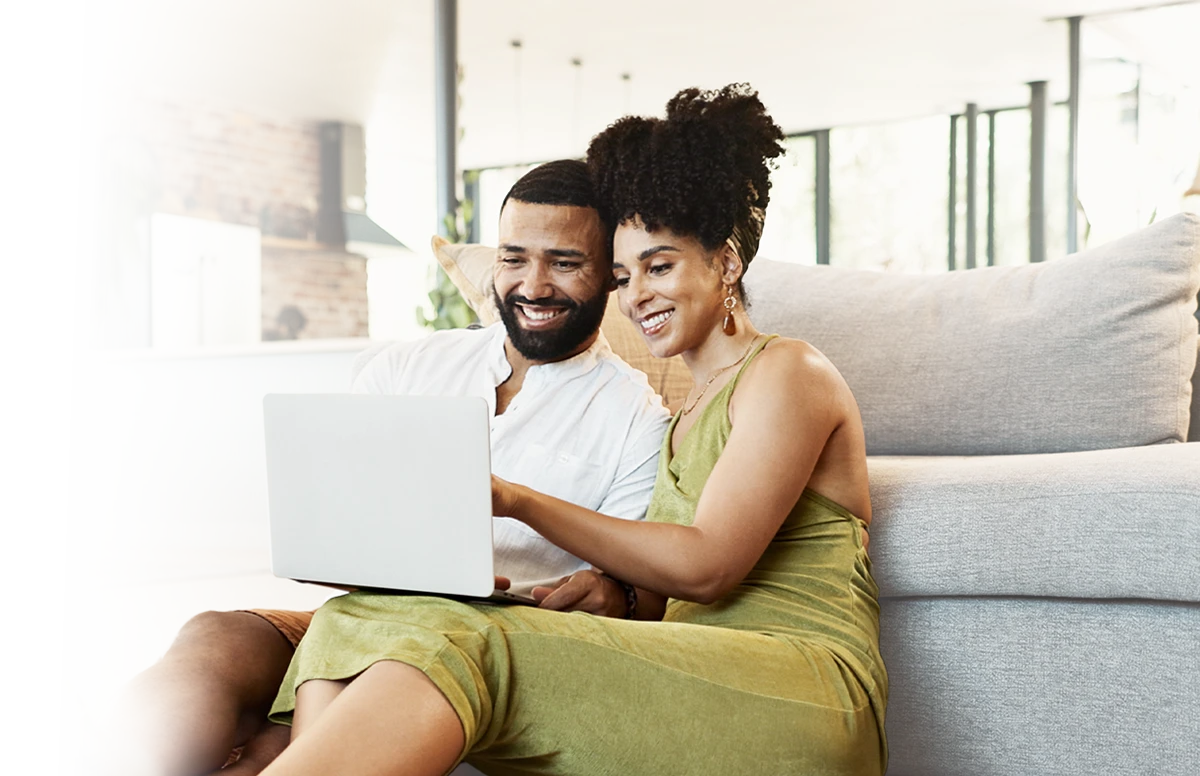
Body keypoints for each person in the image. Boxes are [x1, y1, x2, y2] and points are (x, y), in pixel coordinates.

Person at [257, 83, 888, 776]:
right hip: (691, 665)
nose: (638, 294)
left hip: (794, 682)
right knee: (359, 617)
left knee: (470, 641)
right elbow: (659, 589)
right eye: (622, 275)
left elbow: (708, 567)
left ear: (727, 261)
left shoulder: (788, 370)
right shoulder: (688, 409)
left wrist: (517, 499)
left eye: (661, 265)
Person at [95, 159, 672, 776]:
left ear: (610, 275)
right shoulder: (409, 367)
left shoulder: (636, 417)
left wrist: (618, 593)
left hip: (489, 647)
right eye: (513, 258)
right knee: (218, 632)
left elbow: (639, 585)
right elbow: (335, 512)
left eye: (564, 262)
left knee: (312, 722)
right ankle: (97, 766)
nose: (533, 285)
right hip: (365, 616)